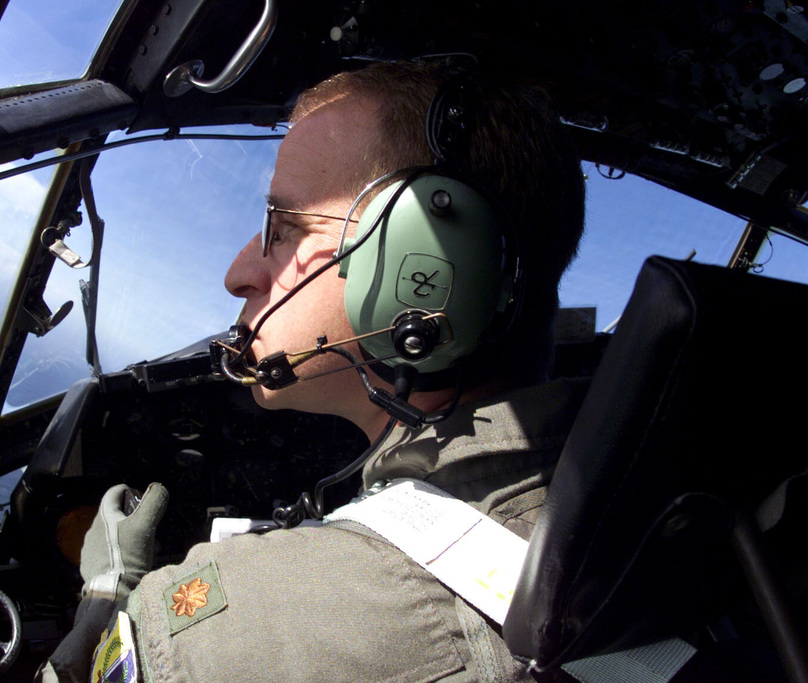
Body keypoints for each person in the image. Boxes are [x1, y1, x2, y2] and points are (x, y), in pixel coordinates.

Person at [42, 60, 587, 682]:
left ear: (425, 266)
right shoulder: (619, 492)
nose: (238, 273)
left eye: (285, 225)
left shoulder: (236, 637)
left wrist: (107, 604)